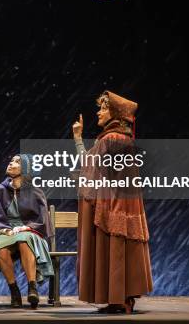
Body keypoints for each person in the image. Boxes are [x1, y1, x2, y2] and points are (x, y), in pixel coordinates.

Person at [72, 91, 153, 313]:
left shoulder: (113, 139)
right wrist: (79, 139)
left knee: (115, 247)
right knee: (120, 248)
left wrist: (79, 142)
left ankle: (120, 300)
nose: (99, 112)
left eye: (104, 108)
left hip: (113, 203)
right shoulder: (119, 138)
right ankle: (119, 299)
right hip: (122, 203)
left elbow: (91, 168)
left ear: (115, 113)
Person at [0, 154, 54, 309]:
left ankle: (32, 287)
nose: (11, 163)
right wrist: (6, 230)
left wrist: (27, 227)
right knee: (1, 246)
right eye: (11, 160)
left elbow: (42, 219)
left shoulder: (35, 191)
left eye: (17, 162)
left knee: (24, 239)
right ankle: (14, 291)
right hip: (7, 232)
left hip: (31, 231)